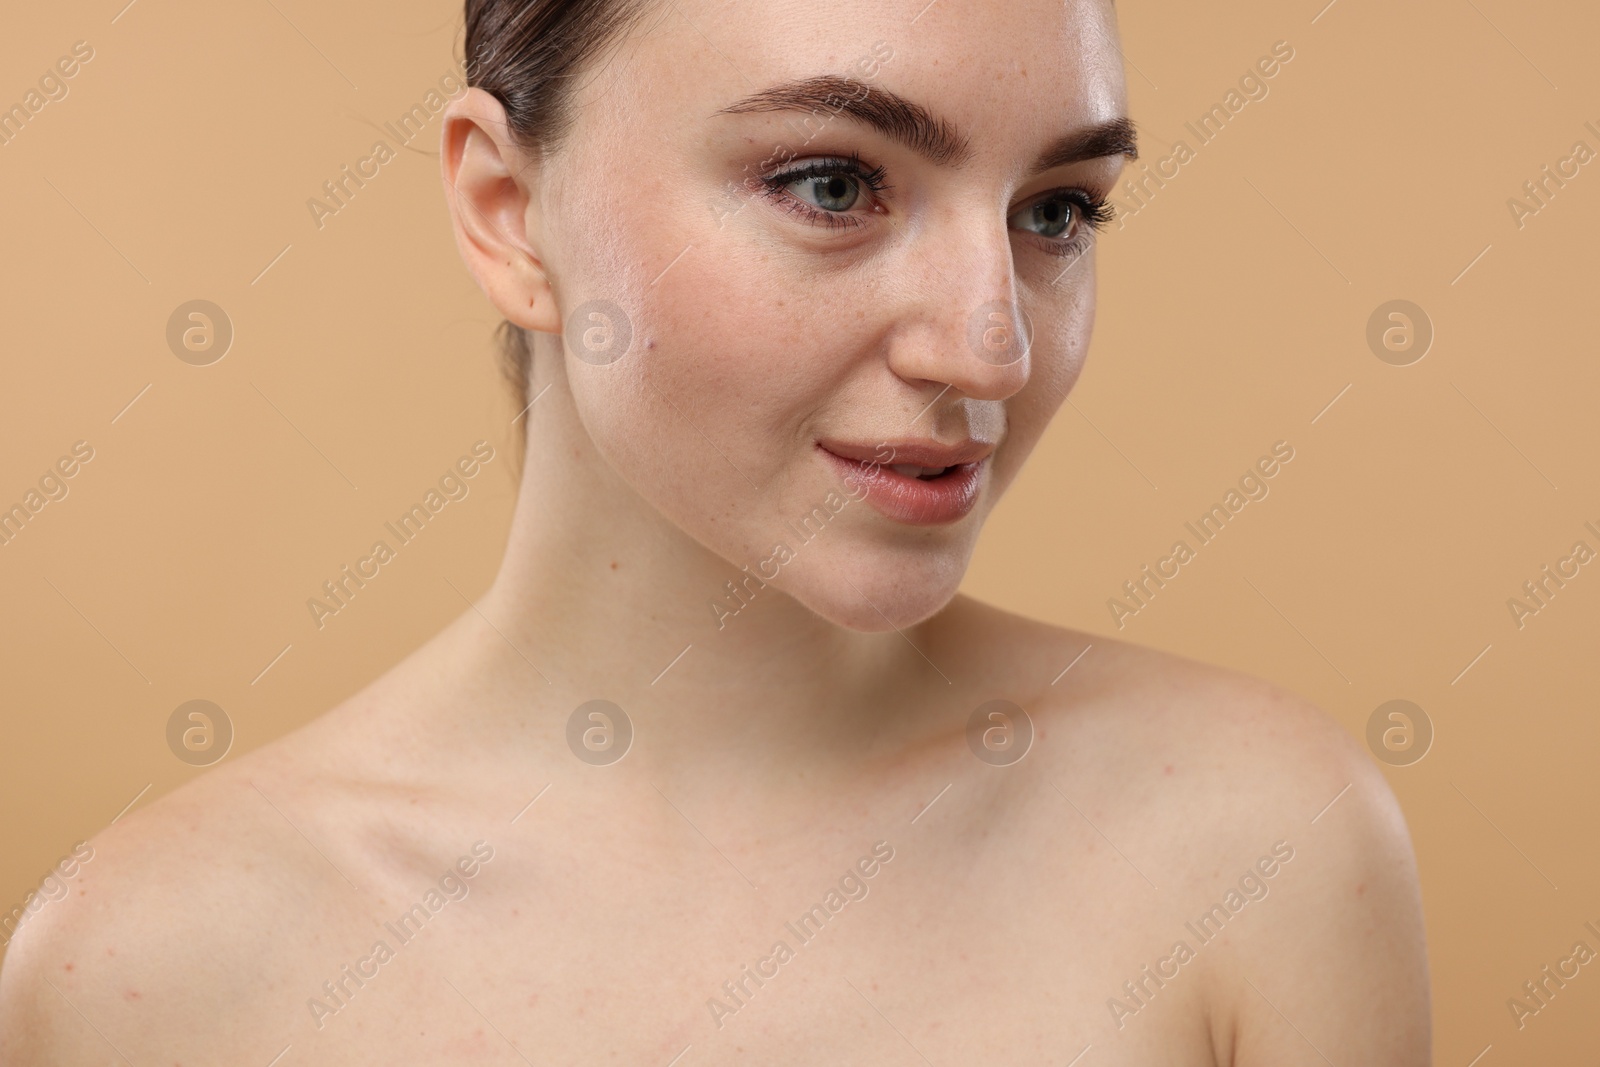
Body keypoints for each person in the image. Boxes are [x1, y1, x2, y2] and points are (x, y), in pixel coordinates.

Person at [0, 0, 1430, 1061]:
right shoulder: (156, 967)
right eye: (833, 183)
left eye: (1055, 210)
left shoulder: (1263, 845)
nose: (989, 350)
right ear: (509, 212)